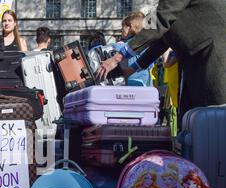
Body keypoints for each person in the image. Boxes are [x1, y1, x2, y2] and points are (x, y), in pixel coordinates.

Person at [96, 0, 226, 125]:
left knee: (215, 119)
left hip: (215, 57)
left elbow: (160, 19)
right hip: (196, 60)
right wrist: (130, 70)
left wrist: (118, 57)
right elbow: (163, 39)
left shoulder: (164, 10)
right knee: (192, 122)